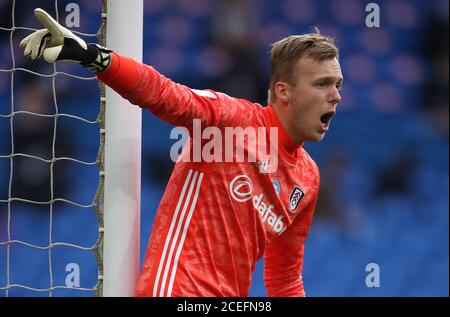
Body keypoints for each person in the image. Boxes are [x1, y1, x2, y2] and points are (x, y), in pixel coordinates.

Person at [21, 8, 343, 297]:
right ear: (284, 92)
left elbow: (285, 281)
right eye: (322, 84)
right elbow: (163, 93)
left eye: (338, 85)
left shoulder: (307, 178)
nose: (335, 96)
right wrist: (93, 56)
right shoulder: (231, 121)